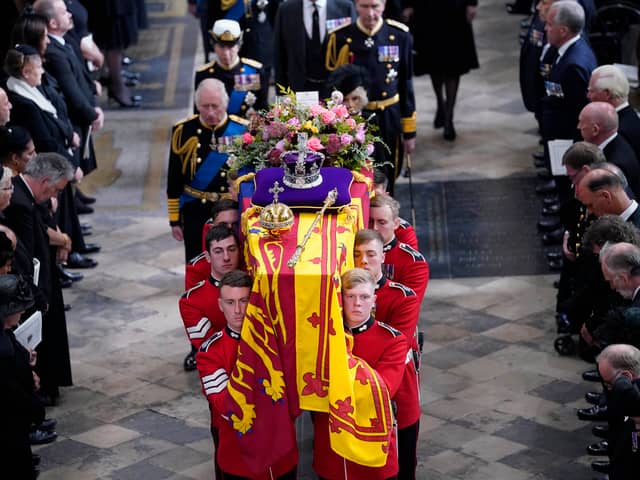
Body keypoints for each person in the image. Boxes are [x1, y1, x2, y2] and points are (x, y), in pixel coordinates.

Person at [196, 269, 298, 479]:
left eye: (244, 301)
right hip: (240, 460)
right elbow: (224, 403)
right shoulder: (210, 351)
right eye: (230, 302)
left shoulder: (276, 340)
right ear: (220, 305)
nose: (238, 310)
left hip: (282, 456)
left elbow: (294, 397)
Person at [312, 268, 408, 480]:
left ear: (374, 300)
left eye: (364, 297)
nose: (357, 303)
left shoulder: (393, 340)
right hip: (332, 452)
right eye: (350, 296)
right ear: (341, 298)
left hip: (372, 452)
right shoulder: (321, 339)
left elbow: (383, 389)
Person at [1, 152, 75, 405]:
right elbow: (23, 256)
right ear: (45, 182)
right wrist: (37, 293)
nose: (54, 196)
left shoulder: (27, 197)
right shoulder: (21, 203)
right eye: (55, 190)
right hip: (29, 287)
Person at [325, 0, 416, 194]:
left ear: (384, 4)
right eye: (364, 6)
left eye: (375, 6)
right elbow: (332, 86)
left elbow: (406, 85)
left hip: (388, 116)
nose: (370, 13)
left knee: (389, 173)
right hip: (355, 119)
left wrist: (409, 131)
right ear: (356, 5)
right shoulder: (340, 37)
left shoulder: (399, 35)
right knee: (357, 176)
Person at [353, 229, 421, 480]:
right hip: (353, 400)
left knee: (402, 467)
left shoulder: (402, 298)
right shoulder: (342, 297)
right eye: (357, 254)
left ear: (383, 256)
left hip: (397, 394)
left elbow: (397, 346)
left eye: (371, 254)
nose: (364, 261)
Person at [167, 78, 248, 263]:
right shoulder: (183, 131)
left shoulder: (243, 130)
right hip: (195, 210)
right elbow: (174, 178)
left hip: (230, 211)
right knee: (197, 262)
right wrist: (174, 220)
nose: (210, 112)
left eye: (215, 106)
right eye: (205, 106)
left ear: (225, 104)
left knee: (232, 261)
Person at [33, 0, 104, 177]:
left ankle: (77, 197)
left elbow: (79, 71)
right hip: (73, 117)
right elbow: (71, 89)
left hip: (81, 113)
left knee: (79, 162)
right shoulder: (54, 53)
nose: (70, 14)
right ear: (53, 23)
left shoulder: (64, 42)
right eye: (64, 12)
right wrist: (92, 114)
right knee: (73, 164)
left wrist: (91, 87)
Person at [404, 0, 478, 141]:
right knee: (433, 63)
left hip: (455, 11)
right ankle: (440, 102)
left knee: (453, 65)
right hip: (427, 11)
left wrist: (472, 3)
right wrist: (407, 4)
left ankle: (449, 117)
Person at [179, 225, 241, 371]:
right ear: (207, 257)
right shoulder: (191, 301)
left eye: (231, 249)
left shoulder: (255, 286)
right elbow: (210, 350)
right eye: (218, 251)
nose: (226, 257)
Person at [0, 274, 40, 480]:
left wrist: (25, 361)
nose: (23, 311)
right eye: (19, 307)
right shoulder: (3, 350)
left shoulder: (5, 335)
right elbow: (12, 392)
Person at [274, 0, 356, 97]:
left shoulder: (345, 7)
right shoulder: (286, 9)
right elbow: (279, 53)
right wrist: (282, 93)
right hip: (299, 88)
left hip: (337, 90)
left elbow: (354, 49)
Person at [194, 19, 267, 117]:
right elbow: (198, 114)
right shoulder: (204, 75)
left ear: (239, 46)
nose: (226, 53)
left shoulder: (254, 71)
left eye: (231, 47)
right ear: (214, 46)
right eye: (221, 47)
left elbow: (264, 110)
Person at [369, 194, 429, 302]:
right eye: (370, 221)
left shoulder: (412, 262)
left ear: (396, 224)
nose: (374, 228)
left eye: (382, 222)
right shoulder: (355, 250)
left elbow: (407, 305)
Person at [577, 102, 640, 198]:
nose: (578, 126)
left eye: (581, 123)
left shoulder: (612, 166)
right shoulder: (617, 141)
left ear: (595, 130)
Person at [588, 64, 640, 161]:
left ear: (607, 94)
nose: (588, 96)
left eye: (591, 91)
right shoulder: (629, 117)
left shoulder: (617, 130)